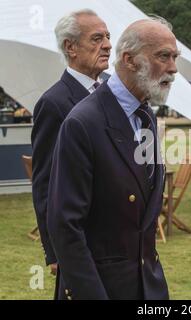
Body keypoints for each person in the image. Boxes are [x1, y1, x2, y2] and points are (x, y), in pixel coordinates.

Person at [47, 17, 178, 300]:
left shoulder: (146, 117)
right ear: (129, 60)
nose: (173, 68)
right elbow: (65, 226)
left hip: (146, 285)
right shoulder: (82, 123)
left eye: (174, 57)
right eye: (163, 56)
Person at [31, 9, 111, 279]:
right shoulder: (53, 103)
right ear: (71, 47)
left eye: (108, 37)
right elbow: (45, 182)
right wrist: (54, 252)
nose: (108, 45)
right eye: (97, 38)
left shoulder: (112, 90)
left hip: (115, 240)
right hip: (81, 238)